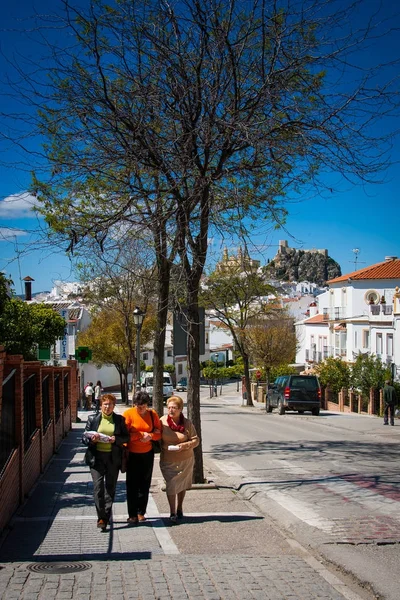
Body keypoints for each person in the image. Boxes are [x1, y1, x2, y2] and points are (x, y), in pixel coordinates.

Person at [82, 394, 129, 531]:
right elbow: (84, 438)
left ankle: (105, 517)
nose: (107, 407)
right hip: (96, 458)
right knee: (98, 488)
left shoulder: (119, 420)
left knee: (110, 487)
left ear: (114, 406)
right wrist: (93, 439)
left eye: (110, 405)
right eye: (105, 404)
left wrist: (116, 440)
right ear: (101, 405)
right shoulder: (93, 419)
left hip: (113, 458)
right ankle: (101, 516)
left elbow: (126, 437)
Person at [123, 391, 162, 524]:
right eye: (138, 406)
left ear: (147, 404)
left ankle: (141, 512)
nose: (141, 409)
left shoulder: (152, 414)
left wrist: (150, 436)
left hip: (147, 453)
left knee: (145, 484)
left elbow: (159, 433)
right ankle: (132, 514)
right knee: (132, 484)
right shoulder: (128, 414)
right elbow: (125, 435)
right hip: (133, 454)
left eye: (143, 406)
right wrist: (140, 435)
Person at [160, 395, 199, 524]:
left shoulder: (187, 423)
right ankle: (172, 512)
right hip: (168, 459)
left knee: (181, 485)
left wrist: (185, 445)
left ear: (181, 409)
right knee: (171, 484)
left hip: (185, 459)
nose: (171, 410)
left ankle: (180, 507)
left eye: (174, 408)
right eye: (169, 407)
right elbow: (156, 436)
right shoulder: (162, 422)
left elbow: (196, 440)